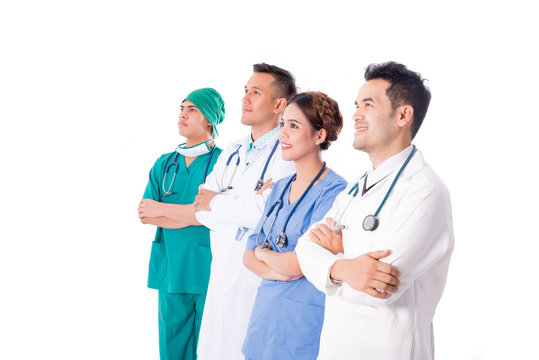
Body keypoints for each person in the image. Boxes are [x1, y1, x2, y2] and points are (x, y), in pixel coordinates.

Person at [296, 62, 454, 360]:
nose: (355, 114)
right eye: (357, 105)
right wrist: (343, 267)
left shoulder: (425, 192)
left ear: (403, 115)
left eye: (368, 105)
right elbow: (305, 247)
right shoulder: (357, 186)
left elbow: (380, 287)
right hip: (335, 348)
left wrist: (333, 257)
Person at [139, 63, 297, 359]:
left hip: (245, 273)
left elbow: (262, 213)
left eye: (256, 92)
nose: (246, 98)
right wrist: (226, 207)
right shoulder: (231, 152)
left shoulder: (286, 152)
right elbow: (200, 210)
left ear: (279, 105)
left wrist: (216, 204)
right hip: (201, 269)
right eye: (245, 91)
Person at [242, 91, 347, 360]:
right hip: (263, 322)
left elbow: (299, 265)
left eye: (293, 126)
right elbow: (248, 255)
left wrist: (264, 254)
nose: (282, 135)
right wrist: (279, 263)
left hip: (299, 327)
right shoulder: (279, 188)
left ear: (319, 136)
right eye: (282, 124)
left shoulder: (335, 193)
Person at [138, 88, 225, 360]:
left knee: (209, 349)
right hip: (171, 271)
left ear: (209, 119)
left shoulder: (224, 162)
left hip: (208, 269)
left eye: (192, 110)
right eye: (182, 108)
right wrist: (194, 213)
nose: (183, 115)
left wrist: (163, 208)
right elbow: (145, 214)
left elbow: (217, 215)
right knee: (171, 350)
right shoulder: (165, 163)